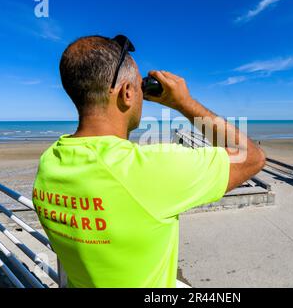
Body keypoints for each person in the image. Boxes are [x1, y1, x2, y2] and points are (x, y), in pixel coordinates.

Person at [32, 35, 265, 288]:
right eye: (139, 87)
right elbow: (251, 157)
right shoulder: (151, 168)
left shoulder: (49, 162)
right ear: (127, 93)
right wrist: (185, 103)